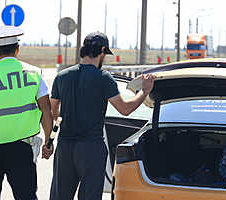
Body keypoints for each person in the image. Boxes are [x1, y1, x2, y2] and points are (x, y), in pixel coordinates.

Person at [48, 31, 155, 200]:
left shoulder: (62, 77)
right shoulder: (104, 78)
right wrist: (144, 91)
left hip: (65, 147)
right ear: (102, 51)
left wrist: (50, 138)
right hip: (91, 148)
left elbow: (52, 111)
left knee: (59, 196)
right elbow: (124, 109)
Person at [0, 25, 53, 200]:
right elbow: (46, 109)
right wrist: (48, 140)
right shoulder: (35, 74)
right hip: (22, 147)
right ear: (17, 49)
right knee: (26, 196)